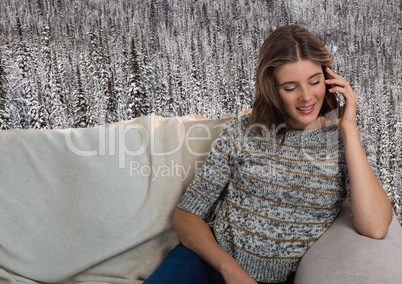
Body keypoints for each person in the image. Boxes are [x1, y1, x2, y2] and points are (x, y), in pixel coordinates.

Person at [144, 25, 392, 284]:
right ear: (272, 88)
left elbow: (374, 226)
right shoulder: (243, 131)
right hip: (206, 264)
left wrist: (349, 129)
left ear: (328, 78)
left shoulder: (346, 141)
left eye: (314, 81)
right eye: (289, 87)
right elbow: (187, 215)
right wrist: (231, 271)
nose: (306, 96)